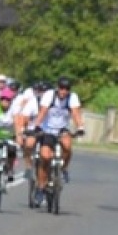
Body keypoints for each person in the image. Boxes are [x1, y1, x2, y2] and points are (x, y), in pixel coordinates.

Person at [32, 76, 85, 204]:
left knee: (67, 146)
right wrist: (37, 126)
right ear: (57, 87)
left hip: (62, 129)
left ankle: (64, 169)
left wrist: (80, 127)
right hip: (48, 129)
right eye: (61, 88)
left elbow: (76, 113)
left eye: (66, 89)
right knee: (44, 157)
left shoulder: (72, 98)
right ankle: (40, 187)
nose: (63, 91)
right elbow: (43, 112)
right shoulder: (49, 95)